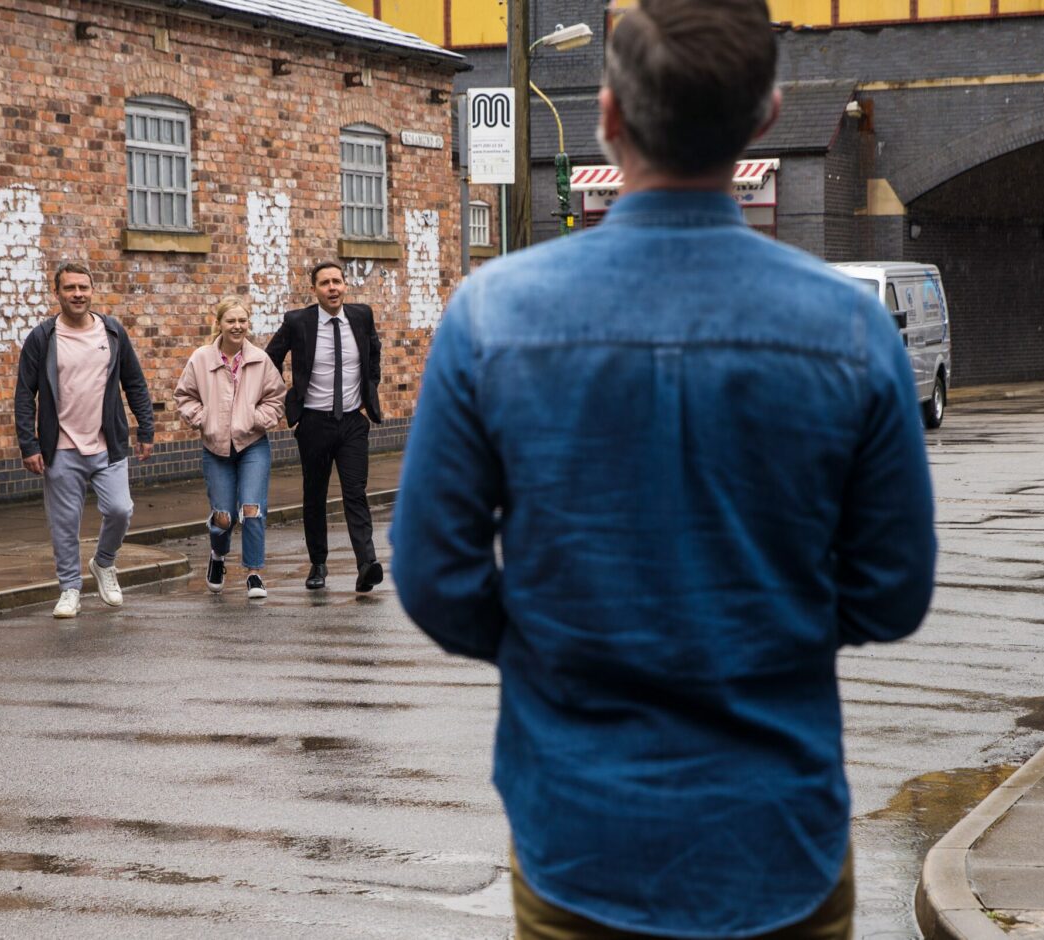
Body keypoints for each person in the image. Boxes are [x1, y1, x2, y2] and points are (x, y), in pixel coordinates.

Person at [389, 1, 938, 936]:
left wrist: (556, 651)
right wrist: (765, 629)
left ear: (609, 117)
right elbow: (892, 594)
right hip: (777, 842)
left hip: (582, 838)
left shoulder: (493, 318)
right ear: (763, 118)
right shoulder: (850, 331)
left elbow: (436, 579)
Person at [14, 262, 154, 620]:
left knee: (121, 510)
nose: (78, 294)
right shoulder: (43, 338)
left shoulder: (112, 332)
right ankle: (69, 588)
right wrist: (29, 445)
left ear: (92, 291)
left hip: (108, 443)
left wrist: (146, 430)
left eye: (83, 288)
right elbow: (24, 394)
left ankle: (104, 563)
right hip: (60, 447)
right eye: (70, 288)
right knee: (64, 523)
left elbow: (135, 383)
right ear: (57, 293)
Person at [265, 261, 384, 593]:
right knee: (314, 494)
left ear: (345, 285)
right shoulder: (298, 321)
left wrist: (368, 389)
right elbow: (269, 358)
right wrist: (288, 400)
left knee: (355, 492)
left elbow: (374, 354)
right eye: (325, 283)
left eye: (337, 281)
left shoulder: (361, 316)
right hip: (314, 422)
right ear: (314, 289)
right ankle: (318, 563)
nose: (332, 288)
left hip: (351, 422)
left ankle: (366, 563)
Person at [174, 297, 287, 599]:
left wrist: (255, 419)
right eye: (231, 321)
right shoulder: (201, 359)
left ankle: (254, 573)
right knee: (223, 516)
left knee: (252, 508)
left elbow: (276, 399)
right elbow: (184, 396)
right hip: (215, 447)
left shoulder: (260, 360)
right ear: (220, 324)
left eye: (242, 321)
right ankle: (218, 555)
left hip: (252, 444)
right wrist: (204, 419)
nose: (237, 327)